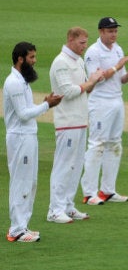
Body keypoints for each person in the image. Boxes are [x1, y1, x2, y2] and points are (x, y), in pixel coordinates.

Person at [4, 42, 63, 242]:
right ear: (20, 59)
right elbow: (22, 114)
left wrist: (44, 102)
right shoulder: (13, 82)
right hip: (20, 137)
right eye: (31, 58)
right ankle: (16, 229)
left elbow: (27, 110)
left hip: (27, 136)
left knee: (30, 181)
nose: (35, 61)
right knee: (21, 181)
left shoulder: (22, 81)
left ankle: (23, 226)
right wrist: (47, 104)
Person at [48, 27, 104, 224]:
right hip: (67, 123)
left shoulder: (78, 61)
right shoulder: (61, 62)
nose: (84, 47)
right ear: (71, 40)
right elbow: (68, 92)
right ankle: (55, 210)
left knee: (75, 166)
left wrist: (94, 81)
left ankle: (68, 206)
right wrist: (91, 82)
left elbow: (84, 90)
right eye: (81, 43)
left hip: (80, 121)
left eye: (86, 43)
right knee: (63, 166)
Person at [81, 17, 128, 205]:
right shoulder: (93, 52)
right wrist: (117, 66)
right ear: (101, 32)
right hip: (100, 102)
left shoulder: (118, 48)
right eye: (110, 31)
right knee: (97, 144)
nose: (113, 34)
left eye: (115, 30)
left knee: (115, 144)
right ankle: (89, 193)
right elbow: (96, 78)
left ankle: (108, 190)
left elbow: (120, 79)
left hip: (116, 100)